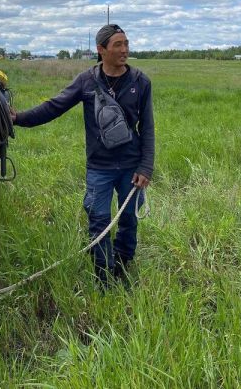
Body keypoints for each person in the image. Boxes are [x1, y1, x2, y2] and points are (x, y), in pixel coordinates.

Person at [11, 24, 155, 289]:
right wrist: (18, 118)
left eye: (126, 43)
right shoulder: (86, 81)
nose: (125, 50)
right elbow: (54, 107)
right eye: (117, 45)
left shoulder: (140, 82)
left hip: (132, 168)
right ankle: (103, 277)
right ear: (101, 50)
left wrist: (146, 167)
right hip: (99, 167)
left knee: (128, 219)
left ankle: (123, 267)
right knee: (99, 220)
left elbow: (147, 128)